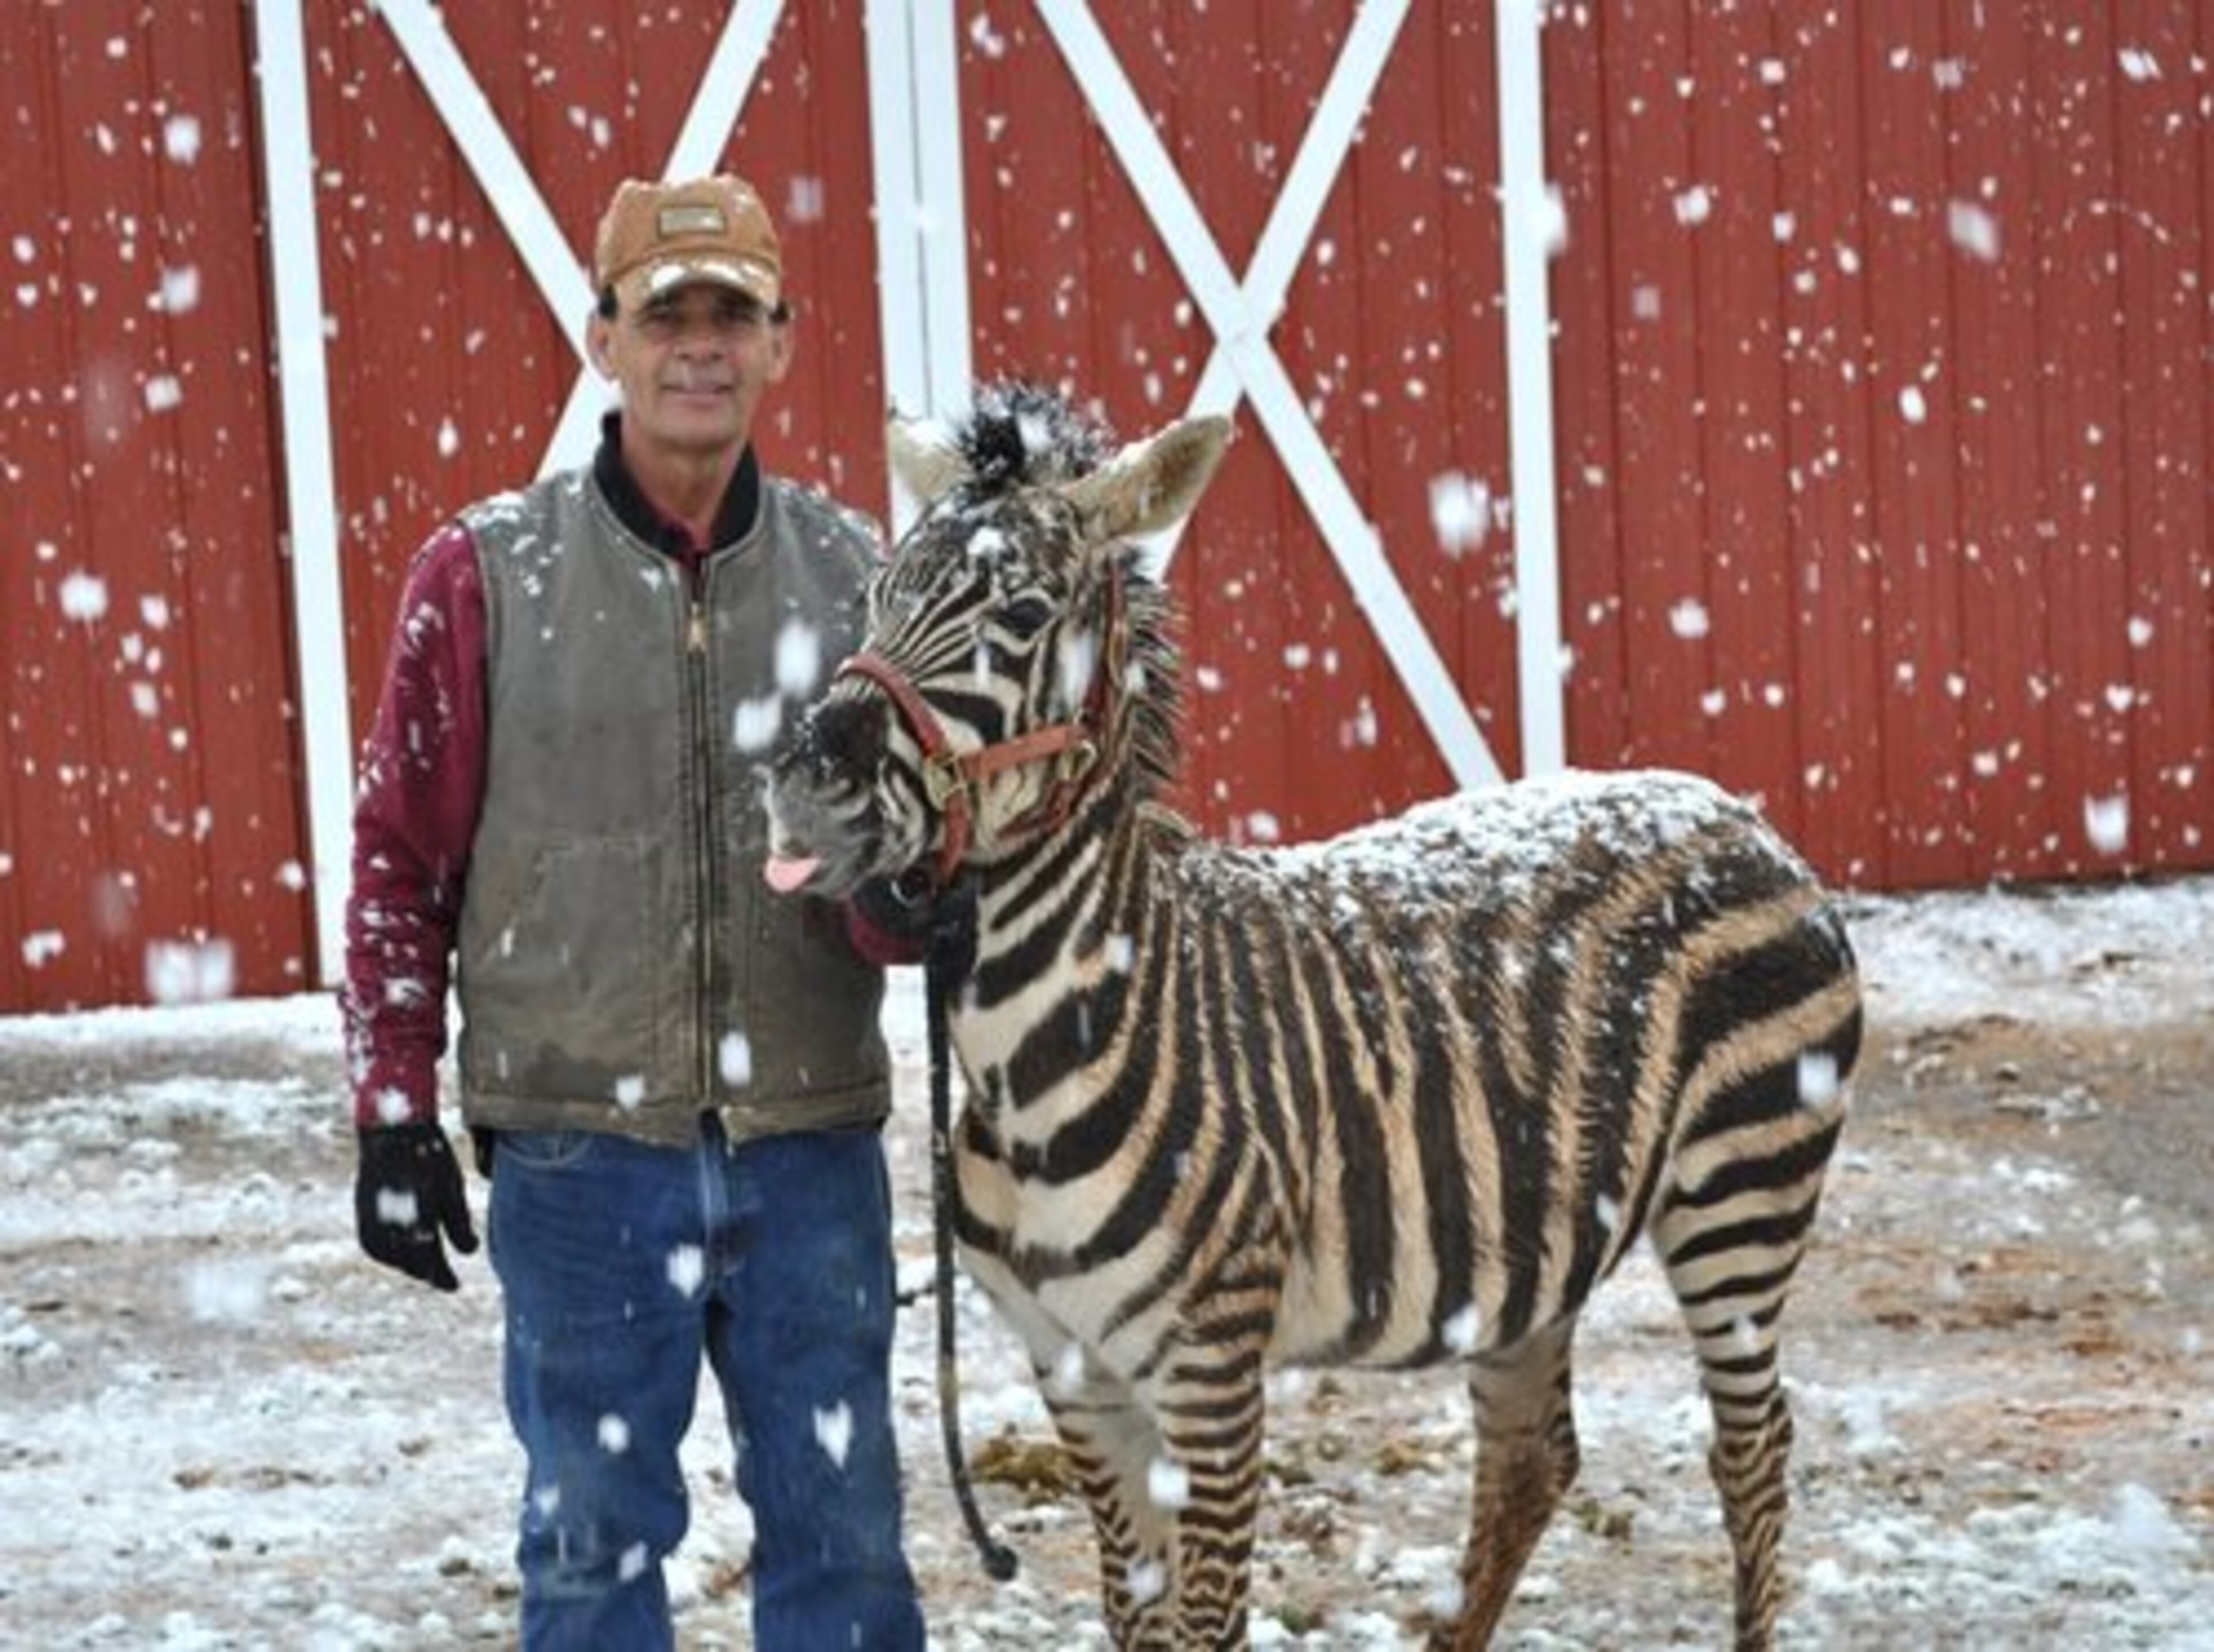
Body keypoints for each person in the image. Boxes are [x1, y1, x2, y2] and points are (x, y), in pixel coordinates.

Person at [341, 172, 928, 1650]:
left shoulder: (860, 580)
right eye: (667, 315)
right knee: (591, 1547)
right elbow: (401, 862)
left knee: (848, 1548)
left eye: (733, 313)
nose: (701, 346)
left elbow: (910, 890)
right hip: (580, 1159)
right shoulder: (485, 576)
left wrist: (904, 894)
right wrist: (393, 1109)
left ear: (782, 340)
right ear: (603, 338)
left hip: (808, 1149)